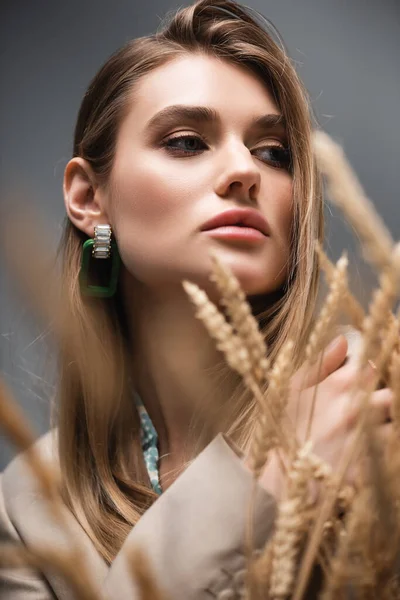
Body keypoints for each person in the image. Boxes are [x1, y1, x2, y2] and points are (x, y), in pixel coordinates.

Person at [0, 0, 393, 598]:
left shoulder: (372, 404)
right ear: (88, 198)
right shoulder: (30, 503)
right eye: (186, 142)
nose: (244, 170)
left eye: (273, 152)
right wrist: (256, 485)